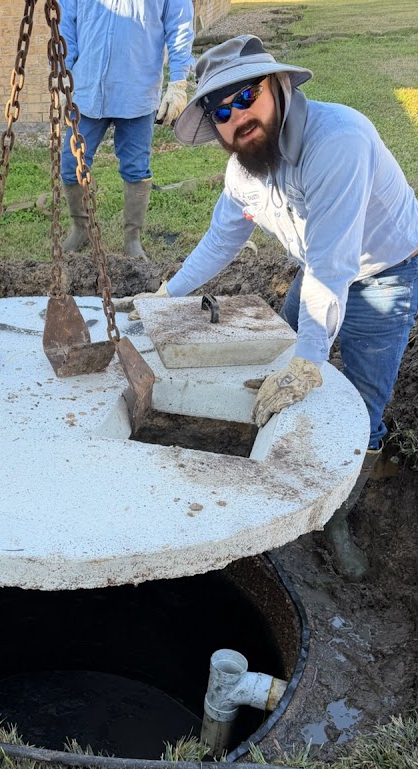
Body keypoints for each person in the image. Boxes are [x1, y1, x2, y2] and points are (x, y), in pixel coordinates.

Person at [128, 35, 418, 580]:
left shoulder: (339, 141)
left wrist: (310, 358)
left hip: (383, 272)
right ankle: (272, 472)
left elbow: (336, 265)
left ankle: (337, 518)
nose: (237, 115)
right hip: (320, 268)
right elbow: (221, 239)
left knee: (362, 400)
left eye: (246, 96)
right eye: (220, 109)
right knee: (273, 364)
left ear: (278, 86)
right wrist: (166, 295)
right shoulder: (245, 170)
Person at [59, 0, 194, 260]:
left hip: (137, 93)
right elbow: (67, 24)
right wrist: (63, 70)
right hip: (89, 91)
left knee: (135, 169)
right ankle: (81, 229)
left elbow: (180, 27)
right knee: (70, 163)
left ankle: (132, 239)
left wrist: (178, 82)